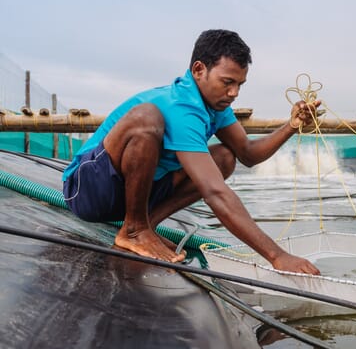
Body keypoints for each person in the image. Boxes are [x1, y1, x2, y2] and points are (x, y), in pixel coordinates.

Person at [62, 29, 320, 275]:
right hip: (88, 190)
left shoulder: (216, 107)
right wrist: (277, 256)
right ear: (199, 70)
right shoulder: (181, 105)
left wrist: (292, 126)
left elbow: (248, 154)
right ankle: (134, 230)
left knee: (224, 158)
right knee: (146, 117)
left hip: (134, 194)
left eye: (240, 84)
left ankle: (145, 227)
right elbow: (214, 191)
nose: (234, 93)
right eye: (227, 82)